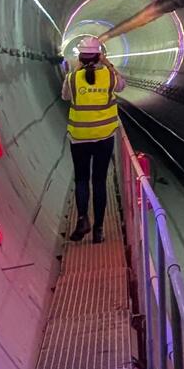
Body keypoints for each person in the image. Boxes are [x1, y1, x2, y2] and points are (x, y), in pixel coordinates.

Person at [59, 37, 124, 241]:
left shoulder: (72, 78)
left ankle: (82, 219)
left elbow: (65, 97)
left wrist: (77, 70)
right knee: (99, 181)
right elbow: (122, 86)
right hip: (104, 137)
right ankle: (98, 230)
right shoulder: (110, 76)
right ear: (99, 55)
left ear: (80, 57)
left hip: (79, 137)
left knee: (81, 180)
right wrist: (108, 64)